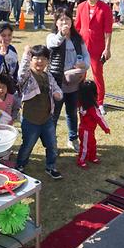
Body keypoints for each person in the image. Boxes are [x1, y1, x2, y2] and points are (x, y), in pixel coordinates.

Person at [14, 45, 63, 179]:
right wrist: (25, 54)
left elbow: (56, 88)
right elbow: (21, 73)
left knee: (52, 145)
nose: (39, 61)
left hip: (47, 119)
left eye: (43, 58)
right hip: (30, 120)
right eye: (36, 58)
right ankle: (20, 166)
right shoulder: (27, 76)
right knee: (27, 146)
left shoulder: (48, 76)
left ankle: (51, 167)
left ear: (48, 61)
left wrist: (58, 94)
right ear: (31, 60)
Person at [47, 8, 90, 152]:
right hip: (57, 82)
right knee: (54, 115)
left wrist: (84, 64)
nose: (64, 22)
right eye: (61, 20)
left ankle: (73, 138)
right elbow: (53, 44)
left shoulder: (77, 38)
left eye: (67, 19)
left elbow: (86, 55)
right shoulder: (52, 36)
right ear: (56, 22)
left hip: (74, 82)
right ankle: (52, 143)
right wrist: (61, 34)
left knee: (72, 112)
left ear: (72, 21)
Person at [74, 0, 112, 108]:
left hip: (97, 48)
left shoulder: (105, 8)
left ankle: (99, 103)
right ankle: (80, 100)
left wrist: (107, 49)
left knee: (97, 75)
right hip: (82, 47)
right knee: (80, 75)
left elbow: (108, 31)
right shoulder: (80, 7)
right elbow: (77, 28)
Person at [76, 80, 110, 168]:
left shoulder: (80, 102)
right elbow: (99, 118)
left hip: (86, 129)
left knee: (92, 143)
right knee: (85, 147)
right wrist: (106, 128)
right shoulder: (91, 107)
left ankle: (92, 157)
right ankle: (81, 160)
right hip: (86, 130)